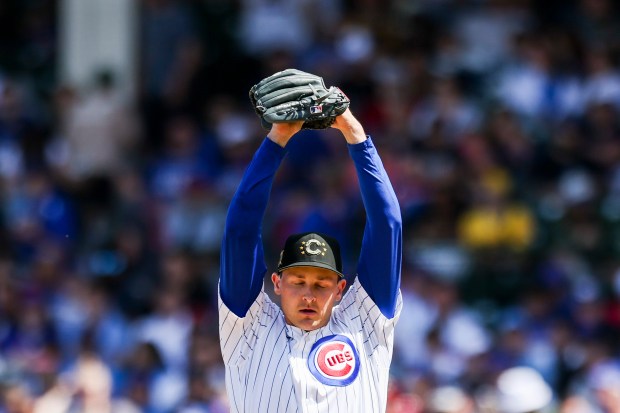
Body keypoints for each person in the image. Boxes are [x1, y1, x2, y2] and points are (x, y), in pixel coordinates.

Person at [218, 103, 402, 412]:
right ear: (277, 282)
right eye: (298, 281)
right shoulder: (249, 329)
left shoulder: (365, 323)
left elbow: (388, 225)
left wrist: (354, 133)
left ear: (340, 289)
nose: (308, 294)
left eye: (320, 285)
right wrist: (276, 140)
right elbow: (240, 230)